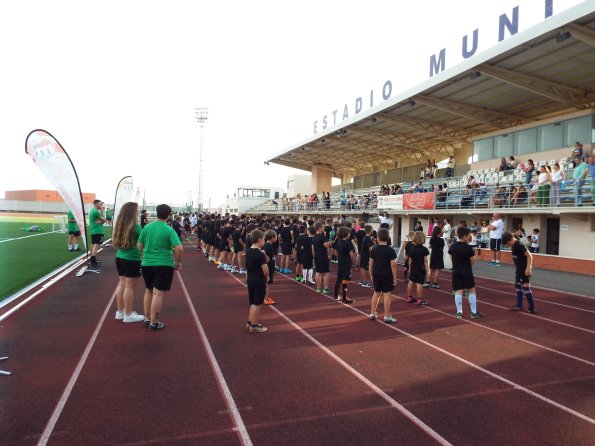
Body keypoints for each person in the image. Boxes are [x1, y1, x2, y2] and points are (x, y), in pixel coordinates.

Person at [137, 204, 183, 331]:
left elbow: (139, 245)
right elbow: (179, 248)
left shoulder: (147, 227)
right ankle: (154, 322)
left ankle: (147, 319)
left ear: (157, 213)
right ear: (169, 215)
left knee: (148, 290)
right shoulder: (169, 230)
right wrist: (178, 263)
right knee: (158, 293)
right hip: (164, 264)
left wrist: (143, 256)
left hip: (147, 264)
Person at [112, 202, 145, 323]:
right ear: (132, 212)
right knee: (129, 286)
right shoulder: (136, 227)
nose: (138, 212)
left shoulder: (120, 225)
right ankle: (128, 314)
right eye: (137, 211)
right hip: (132, 259)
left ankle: (120, 312)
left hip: (120, 257)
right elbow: (142, 243)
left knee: (122, 284)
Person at [449, 226, 482, 318]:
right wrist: (468, 267)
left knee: (458, 291)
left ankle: (459, 312)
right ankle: (474, 312)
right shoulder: (468, 248)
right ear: (464, 236)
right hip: (466, 271)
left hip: (456, 271)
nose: (469, 237)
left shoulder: (452, 246)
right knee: (472, 290)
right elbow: (472, 260)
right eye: (468, 235)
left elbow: (451, 258)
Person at [368, 228, 398, 323]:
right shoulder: (390, 250)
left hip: (376, 274)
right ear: (387, 238)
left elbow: (370, 263)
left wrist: (371, 275)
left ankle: (372, 313)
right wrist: (395, 278)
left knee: (376, 293)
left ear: (377, 238)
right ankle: (387, 316)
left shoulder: (374, 249)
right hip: (387, 275)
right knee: (387, 295)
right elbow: (393, 265)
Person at [502, 232, 536, 314]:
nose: (508, 245)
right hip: (519, 270)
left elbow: (529, 255)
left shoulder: (519, 245)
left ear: (511, 239)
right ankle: (519, 305)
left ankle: (532, 308)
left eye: (508, 243)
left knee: (525, 287)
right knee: (517, 285)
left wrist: (528, 268)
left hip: (524, 270)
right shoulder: (514, 245)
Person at [245, 229, 269, 333]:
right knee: (258, 303)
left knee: (253, 303)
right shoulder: (259, 254)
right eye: (264, 239)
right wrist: (267, 277)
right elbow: (265, 269)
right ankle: (254, 326)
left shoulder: (249, 251)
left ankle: (250, 322)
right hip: (259, 280)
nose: (264, 241)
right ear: (259, 240)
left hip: (250, 279)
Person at [406, 231, 429, 306]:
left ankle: (410, 297)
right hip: (421, 269)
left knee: (411, 282)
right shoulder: (424, 249)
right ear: (422, 239)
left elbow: (410, 259)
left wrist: (409, 268)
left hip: (413, 268)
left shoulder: (411, 248)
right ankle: (420, 299)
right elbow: (425, 261)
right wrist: (427, 270)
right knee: (419, 284)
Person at [333, 227, 355, 304]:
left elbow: (336, 253)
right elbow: (351, 255)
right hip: (347, 264)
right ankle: (344, 297)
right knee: (345, 280)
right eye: (349, 233)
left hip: (341, 264)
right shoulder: (347, 243)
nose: (350, 234)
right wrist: (353, 262)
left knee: (339, 279)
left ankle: (335, 295)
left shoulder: (339, 242)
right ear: (346, 234)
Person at [313, 221, 332, 294]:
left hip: (317, 256)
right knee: (326, 272)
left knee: (318, 272)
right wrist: (331, 242)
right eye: (323, 227)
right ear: (319, 228)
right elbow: (326, 245)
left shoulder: (314, 237)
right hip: (323, 256)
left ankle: (318, 288)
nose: (324, 228)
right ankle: (325, 288)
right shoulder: (322, 237)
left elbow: (313, 247)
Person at [88, 199, 106, 267]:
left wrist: (100, 221)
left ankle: (91, 257)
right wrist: (102, 210)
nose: (101, 205)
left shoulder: (93, 210)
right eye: (100, 204)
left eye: (101, 204)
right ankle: (93, 260)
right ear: (95, 204)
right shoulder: (96, 212)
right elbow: (104, 219)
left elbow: (102, 221)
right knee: (96, 245)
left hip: (94, 230)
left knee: (93, 244)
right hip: (98, 230)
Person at [262, 230, 277, 305]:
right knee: (266, 284)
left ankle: (264, 297)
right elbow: (265, 259)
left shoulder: (269, 245)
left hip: (270, 267)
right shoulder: (268, 246)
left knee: (266, 283)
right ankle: (266, 299)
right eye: (275, 236)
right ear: (272, 238)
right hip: (268, 268)